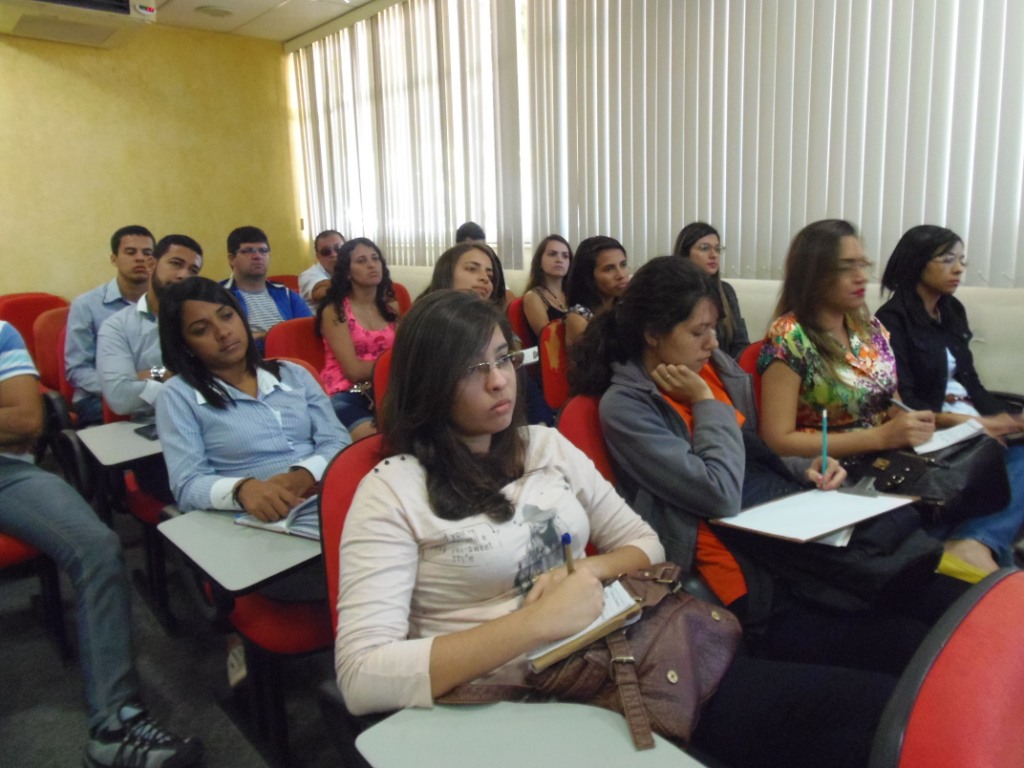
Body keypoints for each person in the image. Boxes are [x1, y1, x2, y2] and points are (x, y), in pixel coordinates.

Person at [334, 290, 896, 768]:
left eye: (503, 359)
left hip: (630, 657)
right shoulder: (394, 489)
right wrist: (535, 623)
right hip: (520, 706)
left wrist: (592, 571)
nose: (501, 383)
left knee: (878, 712)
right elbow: (362, 677)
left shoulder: (544, 447)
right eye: (471, 370)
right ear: (429, 381)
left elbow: (644, 543)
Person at [570, 256, 968, 673]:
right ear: (652, 335)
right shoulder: (628, 405)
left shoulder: (717, 369)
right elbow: (718, 492)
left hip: (787, 529)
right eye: (697, 332)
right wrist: (705, 404)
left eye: (713, 329)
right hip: (748, 572)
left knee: (933, 597)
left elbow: (757, 451)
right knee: (914, 647)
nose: (711, 343)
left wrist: (810, 466)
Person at [0, 320, 202, 768]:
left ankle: (115, 720)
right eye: (166, 262)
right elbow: (99, 384)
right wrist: (154, 377)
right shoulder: (114, 322)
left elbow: (26, 418)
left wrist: (158, 374)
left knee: (96, 544)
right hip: (116, 414)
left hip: (9, 471)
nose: (149, 264)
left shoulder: (199, 315)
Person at [757, 219, 1002, 573]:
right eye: (847, 267)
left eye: (863, 265)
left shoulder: (867, 326)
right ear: (814, 272)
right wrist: (879, 436)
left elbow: (890, 401)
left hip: (892, 458)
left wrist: (908, 421)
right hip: (840, 472)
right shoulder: (790, 336)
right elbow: (777, 440)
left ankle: (970, 545)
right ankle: (962, 554)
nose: (861, 277)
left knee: (988, 468)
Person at [876, 224, 1024, 566]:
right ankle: (976, 543)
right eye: (946, 260)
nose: (958, 269)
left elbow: (971, 380)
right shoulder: (891, 321)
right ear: (916, 263)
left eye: (961, 260)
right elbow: (903, 399)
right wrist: (970, 425)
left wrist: (1000, 420)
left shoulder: (952, 310)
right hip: (935, 426)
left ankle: (973, 542)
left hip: (968, 417)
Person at [154, 277, 349, 521]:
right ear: (185, 346)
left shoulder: (294, 373)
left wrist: (305, 475)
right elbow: (187, 484)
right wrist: (242, 490)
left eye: (227, 316)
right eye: (201, 330)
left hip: (322, 497)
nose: (223, 332)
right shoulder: (177, 395)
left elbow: (337, 440)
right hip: (249, 517)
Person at [97, 234, 203, 419]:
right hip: (152, 424)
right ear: (151, 265)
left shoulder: (203, 319)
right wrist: (164, 373)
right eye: (176, 263)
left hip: (208, 417)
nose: (184, 275)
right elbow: (120, 398)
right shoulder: (117, 327)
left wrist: (154, 375)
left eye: (193, 270)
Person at [65, 225, 155, 426]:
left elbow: (163, 367)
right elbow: (77, 369)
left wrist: (152, 377)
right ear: (114, 259)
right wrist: (124, 384)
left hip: (153, 388)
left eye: (147, 253)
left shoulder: (161, 305)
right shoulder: (87, 305)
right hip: (98, 398)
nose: (140, 258)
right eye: (131, 252)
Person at [316, 237, 397, 441]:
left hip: (389, 390)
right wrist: (396, 365)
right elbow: (353, 371)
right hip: (347, 393)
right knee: (377, 441)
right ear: (347, 272)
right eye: (361, 261)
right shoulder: (335, 311)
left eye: (375, 258)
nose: (371, 265)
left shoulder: (390, 308)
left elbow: (406, 352)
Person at [221, 226, 311, 352]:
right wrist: (266, 336)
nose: (257, 256)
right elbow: (221, 340)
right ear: (232, 259)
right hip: (246, 364)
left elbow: (309, 330)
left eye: (263, 250)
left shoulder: (286, 294)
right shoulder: (219, 295)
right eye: (248, 251)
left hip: (290, 361)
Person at [673, 222, 750, 357]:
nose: (713, 255)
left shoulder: (726, 291)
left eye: (717, 249)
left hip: (724, 371)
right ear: (685, 254)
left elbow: (741, 345)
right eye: (704, 248)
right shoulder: (671, 291)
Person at [564, 235, 629, 346]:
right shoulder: (578, 318)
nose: (621, 275)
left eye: (623, 265)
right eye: (609, 269)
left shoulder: (623, 306)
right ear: (589, 277)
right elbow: (600, 360)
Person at [422, 242, 507, 309]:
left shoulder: (495, 325)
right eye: (472, 269)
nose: (485, 278)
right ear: (446, 273)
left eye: (489, 276)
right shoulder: (423, 320)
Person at [521, 235, 572, 340]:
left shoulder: (573, 292)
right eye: (552, 254)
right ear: (539, 261)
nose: (559, 260)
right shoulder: (533, 297)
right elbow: (548, 339)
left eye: (565, 256)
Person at [299, 229, 345, 312]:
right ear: (318, 257)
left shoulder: (352, 270)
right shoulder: (308, 275)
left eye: (338, 248)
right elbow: (322, 291)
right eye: (326, 251)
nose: (334, 254)